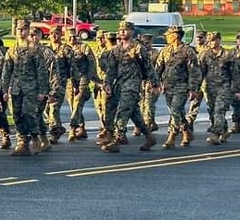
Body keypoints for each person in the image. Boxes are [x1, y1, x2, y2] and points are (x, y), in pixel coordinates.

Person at [101, 20, 157, 152]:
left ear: (131, 31)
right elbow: (111, 70)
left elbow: (149, 67)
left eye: (125, 30)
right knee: (133, 113)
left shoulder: (138, 48)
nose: (122, 32)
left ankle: (117, 139)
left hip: (132, 84)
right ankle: (149, 137)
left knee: (123, 111)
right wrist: (107, 83)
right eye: (120, 30)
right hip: (120, 84)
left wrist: (155, 84)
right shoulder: (116, 50)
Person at [1, 19, 48, 156]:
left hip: (31, 88)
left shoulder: (34, 49)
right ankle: (22, 141)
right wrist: (5, 90)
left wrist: (42, 91)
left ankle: (35, 137)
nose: (20, 32)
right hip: (16, 88)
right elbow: (6, 71)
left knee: (29, 113)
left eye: (23, 29)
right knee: (16, 115)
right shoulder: (12, 50)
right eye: (18, 29)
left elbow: (42, 71)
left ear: (28, 31)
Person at [154, 25, 201, 148]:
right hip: (168, 87)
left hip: (182, 86)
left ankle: (172, 136)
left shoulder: (188, 51)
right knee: (177, 112)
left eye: (168, 35)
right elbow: (158, 68)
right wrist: (155, 83)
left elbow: (193, 71)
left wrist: (193, 89)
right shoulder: (165, 50)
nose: (166, 37)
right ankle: (186, 131)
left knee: (175, 110)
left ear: (175, 35)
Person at [198, 31, 240, 145]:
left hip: (224, 87)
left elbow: (235, 73)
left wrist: (236, 90)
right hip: (210, 88)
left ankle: (216, 135)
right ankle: (224, 130)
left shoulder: (228, 54)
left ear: (219, 40)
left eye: (213, 40)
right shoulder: (205, 55)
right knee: (213, 111)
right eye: (210, 40)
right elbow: (200, 72)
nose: (211, 42)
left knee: (219, 110)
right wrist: (196, 88)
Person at [65, 27, 95, 141]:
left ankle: (72, 129)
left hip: (82, 78)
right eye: (70, 36)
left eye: (74, 36)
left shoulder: (84, 47)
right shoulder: (65, 48)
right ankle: (82, 128)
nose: (72, 39)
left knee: (77, 104)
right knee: (73, 105)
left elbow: (92, 63)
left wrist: (90, 78)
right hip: (70, 81)